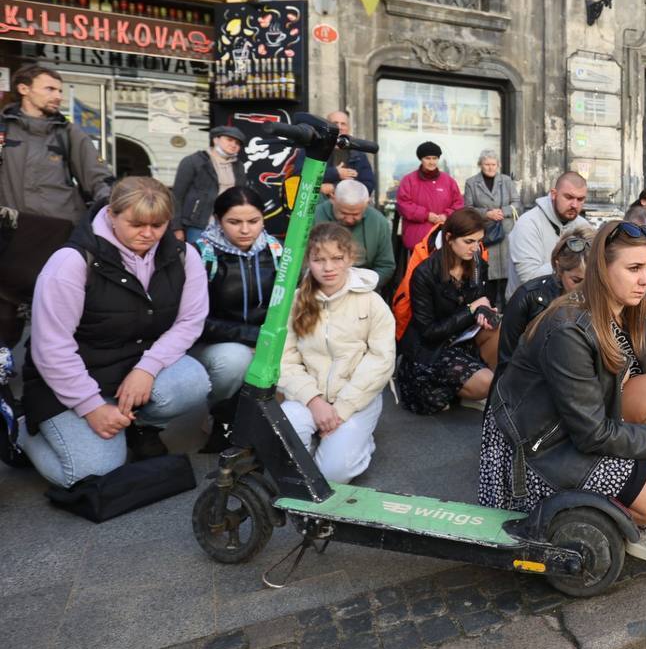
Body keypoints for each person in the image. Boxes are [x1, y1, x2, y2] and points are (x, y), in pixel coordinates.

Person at [479, 219, 646, 581]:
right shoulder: (569, 325)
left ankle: (645, 523)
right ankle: (643, 510)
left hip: (574, 423)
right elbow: (590, 435)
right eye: (633, 268)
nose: (645, 279)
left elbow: (616, 396)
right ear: (602, 269)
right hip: (537, 450)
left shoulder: (625, 309)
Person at [18, 177, 212, 488]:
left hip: (134, 364)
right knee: (90, 474)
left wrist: (147, 368)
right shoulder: (71, 262)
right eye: (136, 224)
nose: (148, 234)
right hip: (71, 375)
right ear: (111, 215)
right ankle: (23, 433)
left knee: (192, 381)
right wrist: (91, 406)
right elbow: (50, 348)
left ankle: (138, 427)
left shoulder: (184, 256)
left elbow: (190, 320)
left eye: (158, 225)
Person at [0, 64, 114, 346]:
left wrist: (114, 214)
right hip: (12, 235)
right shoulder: (2, 130)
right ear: (24, 89)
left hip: (57, 235)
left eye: (60, 90)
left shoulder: (68, 133)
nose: (58, 96)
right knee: (6, 314)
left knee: (53, 313)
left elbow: (98, 179)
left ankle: (48, 375)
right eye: (50, 88)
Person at [278, 223, 395, 484]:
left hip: (355, 398)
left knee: (333, 474)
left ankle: (360, 443)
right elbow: (285, 359)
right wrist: (314, 401)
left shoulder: (371, 301)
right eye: (319, 260)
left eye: (337, 258)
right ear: (308, 260)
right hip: (308, 396)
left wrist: (340, 410)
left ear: (350, 258)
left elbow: (381, 361)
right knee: (282, 442)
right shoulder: (296, 302)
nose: (328, 267)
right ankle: (325, 442)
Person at [191, 187, 282, 451]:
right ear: (218, 220)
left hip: (264, 339)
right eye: (234, 222)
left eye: (253, 221)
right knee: (235, 361)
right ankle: (215, 414)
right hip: (213, 343)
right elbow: (195, 320)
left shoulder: (277, 251)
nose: (245, 230)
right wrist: (253, 337)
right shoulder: (201, 255)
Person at [397, 208, 495, 414]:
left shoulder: (478, 264)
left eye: (479, 241)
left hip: (461, 338)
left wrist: (485, 312)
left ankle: (470, 388)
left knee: (498, 329)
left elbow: (481, 300)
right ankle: (463, 389)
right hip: (430, 351)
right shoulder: (424, 272)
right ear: (449, 238)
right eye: (469, 242)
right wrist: (471, 309)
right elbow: (428, 332)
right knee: (488, 382)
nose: (475, 248)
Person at [497, 227, 593, 376]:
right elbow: (506, 362)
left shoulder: (605, 298)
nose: (584, 289)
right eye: (576, 280)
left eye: (592, 281)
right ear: (559, 268)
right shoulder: (528, 297)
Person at [504, 171, 591, 298]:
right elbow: (529, 279)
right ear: (554, 194)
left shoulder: (583, 226)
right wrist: (566, 263)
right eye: (568, 197)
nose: (574, 205)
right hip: (528, 309)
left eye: (580, 199)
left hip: (567, 306)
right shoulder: (528, 223)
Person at [172, 125, 247, 246]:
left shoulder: (238, 166)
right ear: (216, 139)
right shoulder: (193, 161)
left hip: (228, 224)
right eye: (229, 140)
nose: (234, 145)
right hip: (198, 223)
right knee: (198, 259)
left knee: (224, 261)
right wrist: (176, 227)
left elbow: (241, 194)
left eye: (238, 143)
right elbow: (176, 196)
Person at [316, 179, 396, 291]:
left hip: (363, 288)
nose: (349, 220)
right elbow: (300, 263)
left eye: (356, 214)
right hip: (320, 287)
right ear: (333, 199)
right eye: (343, 213)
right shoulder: (313, 218)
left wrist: (363, 286)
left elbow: (386, 266)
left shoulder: (378, 222)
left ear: (366, 204)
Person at [464, 149, 520, 304]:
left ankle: (506, 315)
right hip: (485, 235)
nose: (490, 168)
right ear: (480, 165)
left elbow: (517, 203)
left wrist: (503, 211)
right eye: (486, 164)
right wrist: (487, 214)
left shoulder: (507, 181)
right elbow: (467, 208)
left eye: (493, 164)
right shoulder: (471, 183)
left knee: (507, 278)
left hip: (506, 233)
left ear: (498, 165)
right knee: (488, 278)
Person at [395, 141, 464, 251]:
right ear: (421, 159)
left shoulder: (448, 181)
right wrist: (426, 215)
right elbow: (403, 205)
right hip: (417, 240)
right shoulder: (408, 180)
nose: (432, 162)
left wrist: (446, 215)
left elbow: (458, 204)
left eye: (435, 158)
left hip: (443, 238)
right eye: (427, 158)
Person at [319, 110, 375, 197]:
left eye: (343, 124)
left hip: (350, 206)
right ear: (327, 126)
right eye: (335, 123)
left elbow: (368, 186)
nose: (339, 127)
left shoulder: (358, 155)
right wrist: (335, 173)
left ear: (348, 128)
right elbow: (300, 176)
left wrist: (335, 187)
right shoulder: (315, 148)